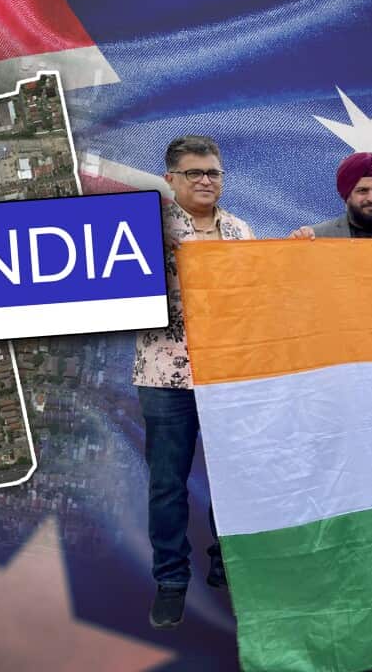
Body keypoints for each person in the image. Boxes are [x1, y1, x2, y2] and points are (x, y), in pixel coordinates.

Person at [133, 134, 255, 628]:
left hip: (228, 376)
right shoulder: (144, 227)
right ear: (170, 179)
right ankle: (170, 579)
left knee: (234, 480)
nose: (206, 181)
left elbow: (257, 295)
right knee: (167, 485)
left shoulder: (240, 231)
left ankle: (227, 564)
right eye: (194, 173)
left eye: (214, 173)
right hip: (164, 375)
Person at [288, 152, 372, 239]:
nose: (371, 198)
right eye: (362, 191)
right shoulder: (317, 237)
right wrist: (293, 248)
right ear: (347, 195)